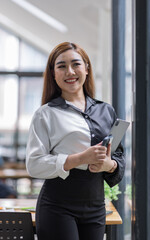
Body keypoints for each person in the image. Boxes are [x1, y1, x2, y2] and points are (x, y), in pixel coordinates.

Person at [26, 42, 125, 240]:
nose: (70, 71)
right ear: (54, 74)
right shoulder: (45, 114)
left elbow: (119, 158)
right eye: (61, 66)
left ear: (87, 69)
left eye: (76, 64)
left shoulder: (106, 111)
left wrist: (109, 165)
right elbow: (34, 164)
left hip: (96, 207)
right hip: (57, 206)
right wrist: (80, 158)